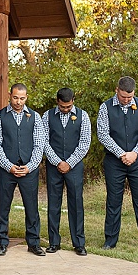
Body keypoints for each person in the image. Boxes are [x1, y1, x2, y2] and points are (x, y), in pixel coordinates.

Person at [97, 76, 138, 249]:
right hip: (114, 162)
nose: (127, 100)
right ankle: (110, 241)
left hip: (137, 161)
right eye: (124, 97)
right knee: (114, 201)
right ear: (117, 90)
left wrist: (135, 153)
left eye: (130, 97)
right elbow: (103, 135)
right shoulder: (105, 108)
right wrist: (122, 154)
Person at [0, 83, 46, 257]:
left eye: (22, 98)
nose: (18, 101)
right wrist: (9, 166)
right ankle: (1, 243)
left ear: (26, 97)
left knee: (32, 208)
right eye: (15, 97)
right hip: (6, 170)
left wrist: (30, 166)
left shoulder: (35, 117)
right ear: (10, 95)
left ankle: (33, 243)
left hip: (28, 170)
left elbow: (39, 145)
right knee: (2, 207)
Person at [42, 87, 91, 256]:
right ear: (58, 102)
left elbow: (84, 143)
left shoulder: (83, 116)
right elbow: (44, 142)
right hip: (53, 166)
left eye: (68, 106)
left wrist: (69, 163)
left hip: (74, 166)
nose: (65, 109)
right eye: (63, 107)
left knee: (76, 204)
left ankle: (79, 243)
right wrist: (57, 162)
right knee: (53, 204)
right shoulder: (47, 116)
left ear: (73, 101)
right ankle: (54, 242)